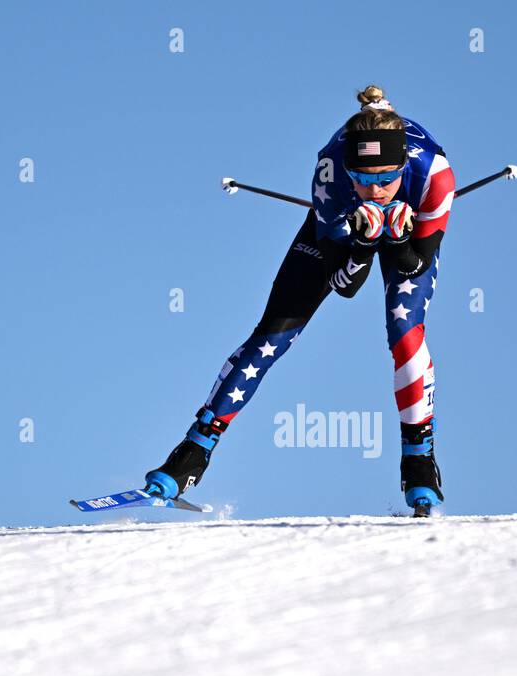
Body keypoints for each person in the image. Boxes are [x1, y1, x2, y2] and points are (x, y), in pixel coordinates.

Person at [145, 84, 455, 514]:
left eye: (387, 180)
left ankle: (419, 461)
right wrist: (363, 246)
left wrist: (399, 240)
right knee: (273, 332)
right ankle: (192, 452)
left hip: (412, 226)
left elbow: (413, 266)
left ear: (404, 166)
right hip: (344, 228)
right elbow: (344, 285)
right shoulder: (331, 173)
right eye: (365, 181)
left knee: (404, 331)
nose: (377, 190)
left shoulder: (434, 178)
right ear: (349, 173)